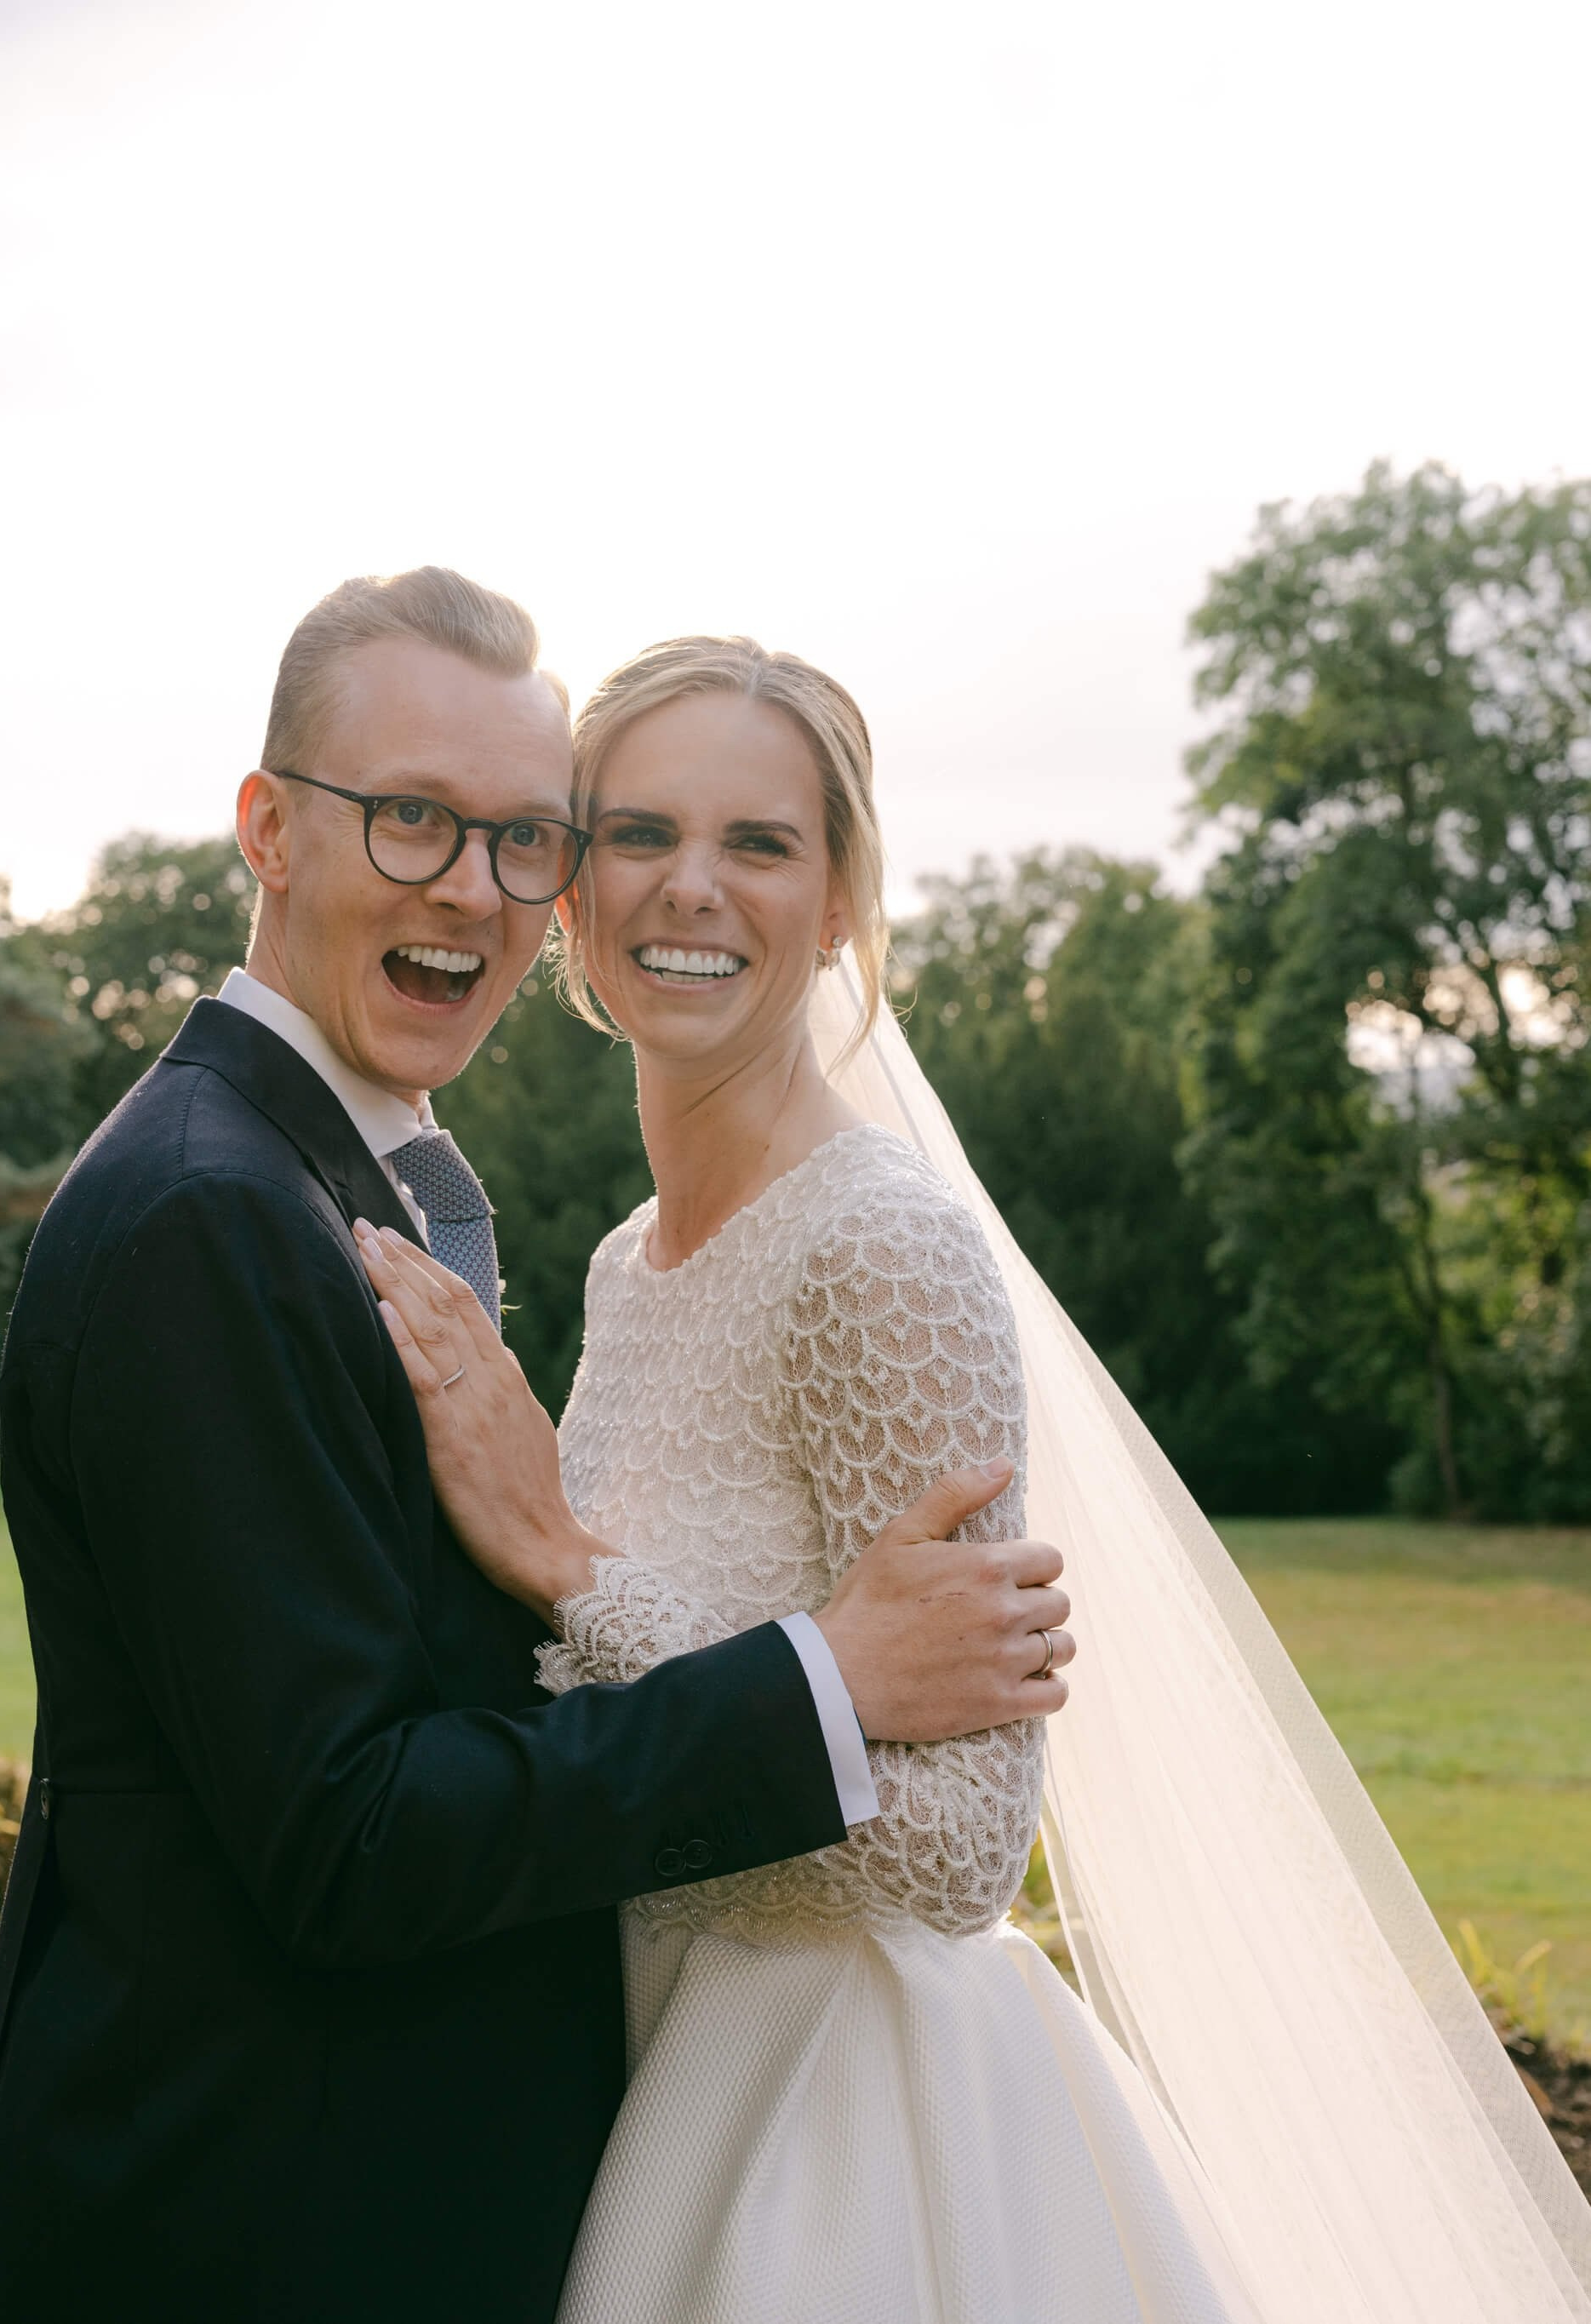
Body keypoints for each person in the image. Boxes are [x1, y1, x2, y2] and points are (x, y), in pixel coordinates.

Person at [369, 636, 1591, 2324]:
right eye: (639, 833)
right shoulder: (626, 1265)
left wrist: (575, 1573)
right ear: (571, 897)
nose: (692, 887)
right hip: (659, 2054)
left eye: (763, 843)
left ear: (848, 901)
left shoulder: (883, 1250)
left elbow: (954, 1854)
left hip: (847, 2127)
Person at [0, 572, 1073, 2324]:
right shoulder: (208, 1217)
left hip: (790, 2158)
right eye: (410, 819)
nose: (470, 883)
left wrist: (588, 1577)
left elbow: (949, 1836)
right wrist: (813, 1678)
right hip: (250, 2230)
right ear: (270, 832)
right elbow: (352, 1833)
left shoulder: (353, 1189)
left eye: (521, 836)